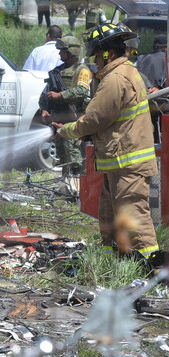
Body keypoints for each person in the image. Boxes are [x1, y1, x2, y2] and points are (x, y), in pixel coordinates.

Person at [53, 24, 159, 259]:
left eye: (96, 56)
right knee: (110, 216)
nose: (95, 62)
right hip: (119, 161)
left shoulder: (116, 79)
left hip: (128, 162)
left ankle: (153, 270)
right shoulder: (126, 73)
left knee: (134, 218)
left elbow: (95, 119)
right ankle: (111, 261)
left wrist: (67, 131)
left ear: (107, 54)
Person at [40, 36, 91, 177]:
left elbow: (82, 91)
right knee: (62, 154)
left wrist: (60, 95)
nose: (59, 54)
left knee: (74, 154)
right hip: (58, 120)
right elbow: (45, 93)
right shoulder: (56, 72)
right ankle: (66, 184)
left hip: (75, 119)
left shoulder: (82, 70)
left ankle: (77, 187)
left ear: (71, 52)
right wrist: (45, 108)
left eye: (62, 51)